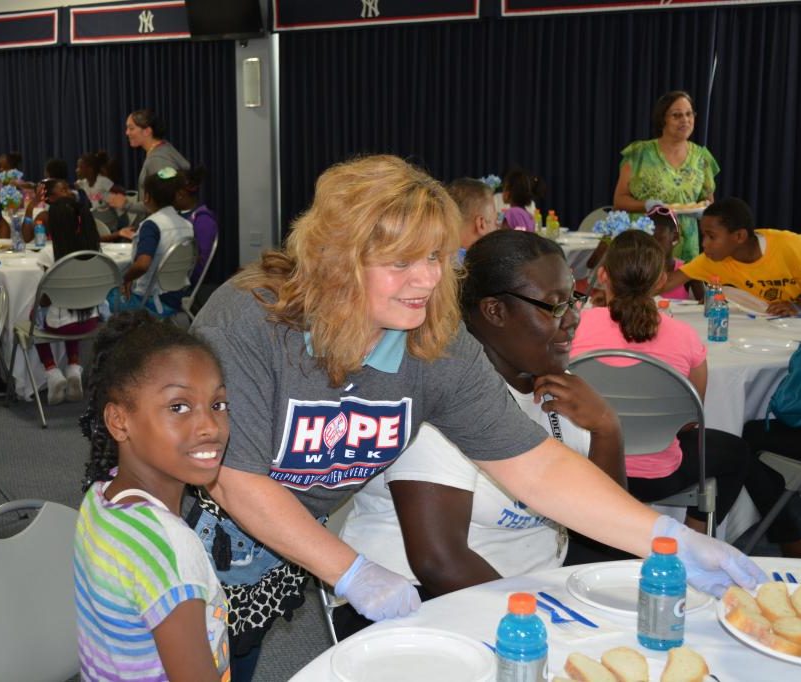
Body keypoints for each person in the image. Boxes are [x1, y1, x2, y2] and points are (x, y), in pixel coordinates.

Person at [186, 155, 764, 680]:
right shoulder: (250, 319)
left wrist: (662, 537)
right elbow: (235, 476)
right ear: (337, 260)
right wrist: (354, 570)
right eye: (401, 262)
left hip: (292, 536)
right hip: (186, 530)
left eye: (437, 256)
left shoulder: (431, 341)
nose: (430, 279)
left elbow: (532, 465)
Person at [336, 230, 625, 637]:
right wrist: (543, 626)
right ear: (494, 312)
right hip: (415, 604)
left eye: (573, 300)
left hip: (528, 589)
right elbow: (440, 562)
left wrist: (607, 428)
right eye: (555, 306)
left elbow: (606, 527)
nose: (574, 319)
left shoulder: (563, 390)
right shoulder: (440, 396)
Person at [572, 230, 801, 556]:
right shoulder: (685, 337)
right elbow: (690, 421)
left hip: (588, 466)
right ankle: (692, 544)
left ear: (604, 275)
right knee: (735, 452)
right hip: (660, 475)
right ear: (661, 280)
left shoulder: (575, 327)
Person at [75, 311, 231, 681]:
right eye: (178, 407)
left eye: (218, 404)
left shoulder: (101, 495)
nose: (210, 426)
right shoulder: (172, 552)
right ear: (119, 421)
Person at [614, 90, 719, 261]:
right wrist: (647, 204)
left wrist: (702, 209)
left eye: (689, 114)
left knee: (681, 287)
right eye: (677, 115)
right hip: (645, 242)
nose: (685, 120)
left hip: (686, 246)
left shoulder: (702, 158)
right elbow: (619, 201)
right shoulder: (639, 153)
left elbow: (709, 202)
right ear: (663, 119)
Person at [660, 197, 801, 316]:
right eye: (704, 236)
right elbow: (668, 282)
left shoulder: (791, 246)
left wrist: (796, 307)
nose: (704, 244)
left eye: (711, 236)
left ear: (739, 236)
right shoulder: (712, 258)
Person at [33, 197, 102, 405]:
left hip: (59, 326)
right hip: (91, 322)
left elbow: (45, 300)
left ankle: (52, 371)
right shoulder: (94, 249)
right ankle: (73, 366)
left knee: (33, 314)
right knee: (75, 305)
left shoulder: (48, 254)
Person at [112, 168, 193, 315]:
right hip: (176, 297)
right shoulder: (187, 225)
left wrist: (126, 278)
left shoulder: (151, 225)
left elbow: (142, 264)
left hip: (150, 301)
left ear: (147, 197)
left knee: (104, 295)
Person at [107, 109, 190, 225]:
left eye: (131, 128)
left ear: (147, 131)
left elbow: (163, 203)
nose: (127, 133)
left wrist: (126, 205)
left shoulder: (158, 159)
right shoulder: (162, 149)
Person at [649, 207, 705, 301]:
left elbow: (706, 306)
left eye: (659, 239)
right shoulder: (639, 271)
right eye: (648, 240)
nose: (652, 246)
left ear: (674, 237)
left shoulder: (688, 270)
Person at [174, 167, 218, 285]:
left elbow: (200, 262)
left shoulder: (203, 220)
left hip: (185, 281)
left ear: (180, 194)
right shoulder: (174, 215)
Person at [445, 177, 498, 262]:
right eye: (495, 222)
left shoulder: (435, 255)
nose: (497, 228)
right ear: (481, 224)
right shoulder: (481, 266)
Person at [75, 152, 116, 231]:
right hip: (99, 216)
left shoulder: (102, 181)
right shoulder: (83, 183)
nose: (77, 170)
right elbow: (74, 186)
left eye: (80, 167)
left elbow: (121, 192)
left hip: (110, 217)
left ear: (90, 169)